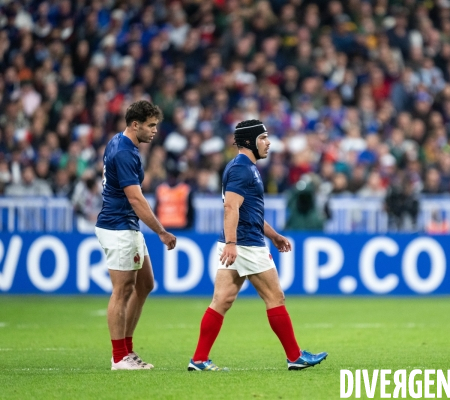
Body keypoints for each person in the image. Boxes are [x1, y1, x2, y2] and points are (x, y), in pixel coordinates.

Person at [188, 119, 327, 372]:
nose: (268, 142)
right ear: (250, 141)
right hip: (246, 244)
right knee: (275, 297)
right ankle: (294, 357)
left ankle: (198, 359)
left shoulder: (245, 167)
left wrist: (273, 235)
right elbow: (231, 207)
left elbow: (248, 210)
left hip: (240, 240)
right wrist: (232, 242)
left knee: (222, 299)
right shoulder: (242, 168)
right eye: (263, 138)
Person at [95, 101, 177, 370]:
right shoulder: (125, 153)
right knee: (122, 290)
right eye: (151, 125)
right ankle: (120, 356)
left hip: (126, 225)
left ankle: (126, 350)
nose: (155, 131)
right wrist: (161, 232)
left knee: (145, 285)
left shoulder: (120, 143)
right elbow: (135, 198)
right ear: (135, 124)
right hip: (118, 226)